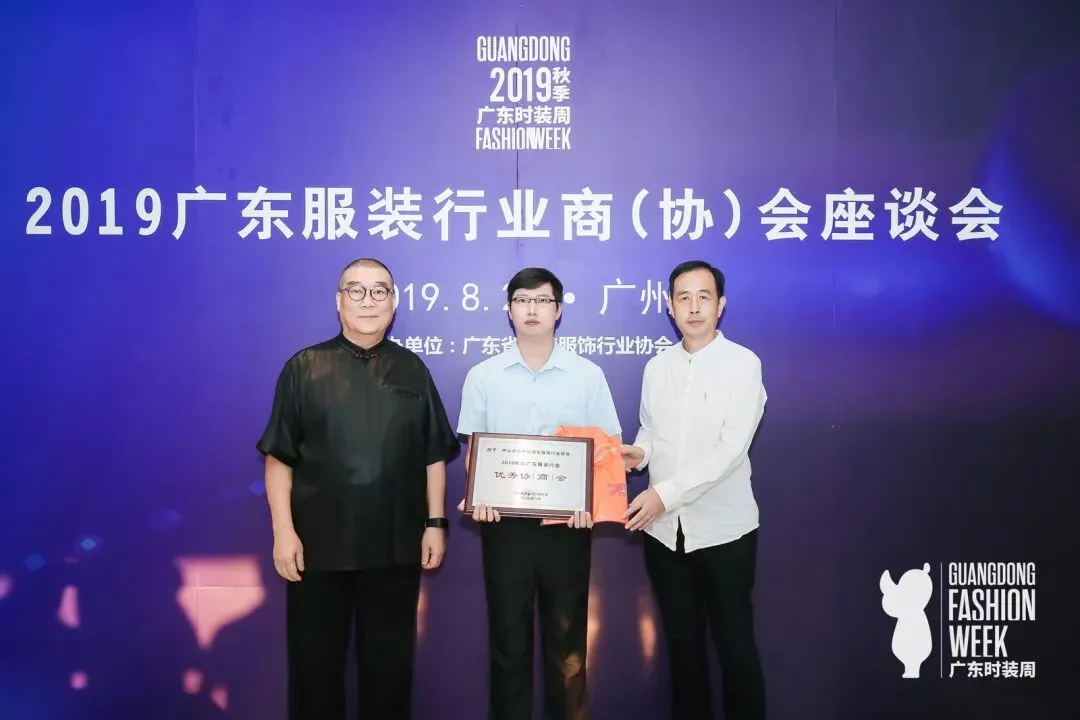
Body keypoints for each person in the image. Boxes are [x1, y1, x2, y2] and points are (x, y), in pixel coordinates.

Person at [256, 257, 461, 720]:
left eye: (379, 291)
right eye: (357, 290)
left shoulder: (412, 368)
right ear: (339, 301)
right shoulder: (304, 367)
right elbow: (279, 458)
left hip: (394, 547)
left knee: (389, 673)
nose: (369, 301)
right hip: (317, 550)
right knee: (314, 672)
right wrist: (283, 532)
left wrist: (435, 523)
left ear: (394, 302)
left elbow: (433, 454)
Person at [456, 267, 621, 720]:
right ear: (508, 310)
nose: (532, 308)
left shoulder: (587, 375)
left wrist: (592, 503)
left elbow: (607, 451)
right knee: (507, 644)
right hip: (504, 527)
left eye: (542, 300)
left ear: (559, 310)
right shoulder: (483, 376)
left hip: (567, 527)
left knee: (568, 650)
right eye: (523, 300)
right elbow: (475, 453)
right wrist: (480, 494)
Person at [621, 260, 767, 720]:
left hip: (725, 533)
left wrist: (665, 494)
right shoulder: (656, 367)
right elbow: (650, 430)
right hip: (665, 534)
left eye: (704, 297)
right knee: (683, 655)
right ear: (670, 306)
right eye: (683, 298)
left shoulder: (743, 365)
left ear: (721, 305)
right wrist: (638, 455)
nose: (694, 307)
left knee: (736, 652)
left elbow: (730, 451)